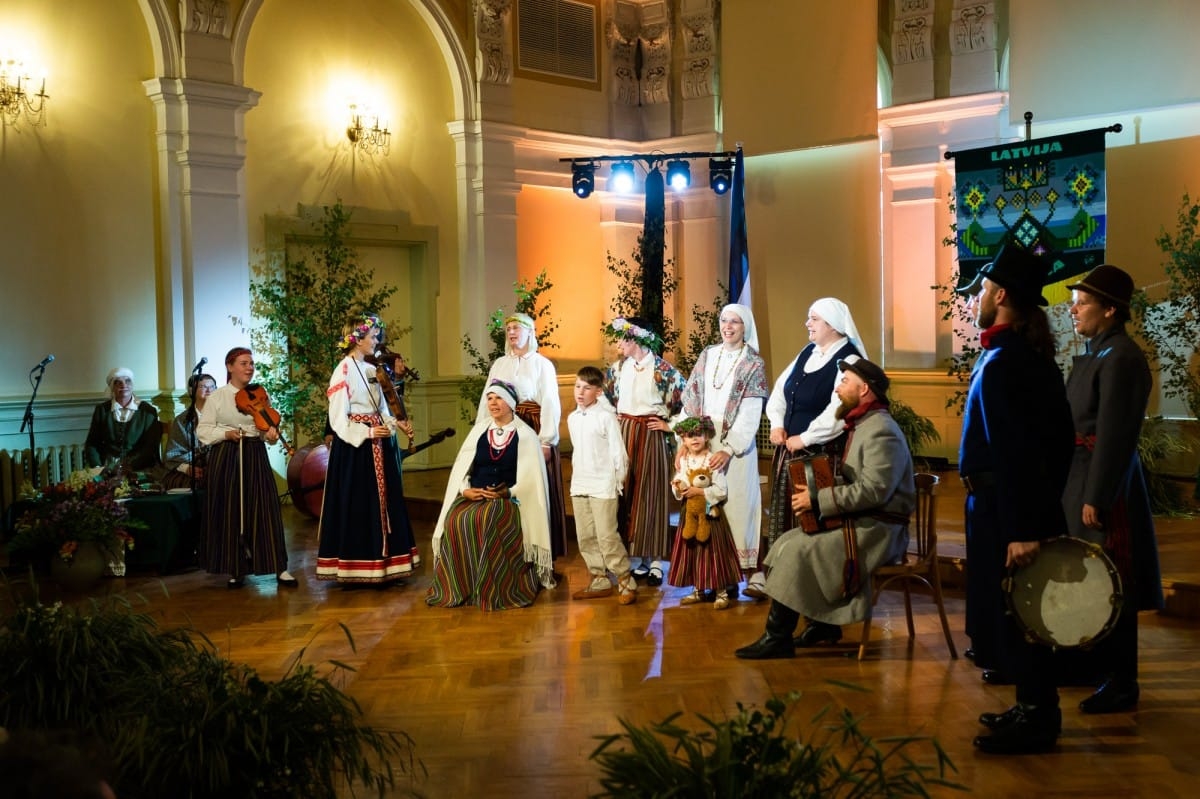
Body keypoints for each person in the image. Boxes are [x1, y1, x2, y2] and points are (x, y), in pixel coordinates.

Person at [956, 245, 1074, 755]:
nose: (977, 299)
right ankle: (1029, 704)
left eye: (982, 290)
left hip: (1008, 510)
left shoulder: (1009, 360)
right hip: (998, 506)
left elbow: (1025, 450)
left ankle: (1039, 717)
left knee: (1022, 610)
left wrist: (1026, 527)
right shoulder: (1006, 354)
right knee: (1008, 610)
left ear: (1001, 295)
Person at [735, 355, 915, 658]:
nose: (837, 388)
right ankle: (822, 625)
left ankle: (777, 636)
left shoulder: (881, 431)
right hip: (865, 520)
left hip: (881, 530)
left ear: (864, 390)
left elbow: (875, 491)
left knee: (798, 549)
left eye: (845, 382)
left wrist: (819, 499)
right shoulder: (864, 424)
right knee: (786, 541)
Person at [1063, 264, 1164, 713]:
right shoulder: (1099, 352)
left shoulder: (1121, 357)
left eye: (1082, 303)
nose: (1073, 310)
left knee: (1114, 580)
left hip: (1107, 489)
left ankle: (1122, 681)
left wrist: (1097, 495)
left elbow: (1115, 435)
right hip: (1083, 479)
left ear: (1109, 309)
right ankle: (1092, 664)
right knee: (1092, 579)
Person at [757, 298, 866, 598]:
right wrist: (777, 423)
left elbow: (838, 410)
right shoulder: (808, 352)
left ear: (832, 324)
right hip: (790, 451)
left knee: (813, 524)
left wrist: (804, 438)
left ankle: (814, 591)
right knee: (785, 518)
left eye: (813, 319)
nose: (808, 324)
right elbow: (781, 389)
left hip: (820, 456)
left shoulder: (850, 359)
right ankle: (784, 586)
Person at [428, 379, 556, 609]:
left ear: (509, 403)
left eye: (498, 398)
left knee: (488, 520)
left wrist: (507, 492)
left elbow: (530, 480)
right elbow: (463, 468)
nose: (493, 403)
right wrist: (465, 489)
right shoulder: (479, 431)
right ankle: (460, 586)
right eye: (489, 398)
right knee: (456, 520)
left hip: (508, 497)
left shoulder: (525, 435)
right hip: (474, 494)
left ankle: (493, 588)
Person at [316, 314, 421, 586]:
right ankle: (359, 565)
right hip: (357, 450)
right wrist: (367, 432)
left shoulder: (374, 368)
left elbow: (383, 407)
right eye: (373, 336)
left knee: (387, 502)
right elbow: (338, 418)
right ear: (357, 338)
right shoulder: (344, 369)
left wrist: (394, 424)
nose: (377, 340)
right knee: (361, 503)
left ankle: (388, 564)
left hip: (380, 442)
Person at [677, 303, 769, 593]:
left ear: (746, 327)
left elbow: (751, 411)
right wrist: (685, 439)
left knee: (739, 506)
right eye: (724, 321)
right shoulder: (708, 355)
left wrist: (729, 448)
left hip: (734, 444)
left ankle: (753, 572)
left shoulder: (754, 363)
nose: (728, 327)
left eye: (735, 322)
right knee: (708, 507)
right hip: (703, 438)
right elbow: (691, 398)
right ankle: (716, 575)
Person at [196, 347, 298, 588]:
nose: (250, 367)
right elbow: (203, 431)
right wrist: (226, 433)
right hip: (227, 456)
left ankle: (279, 567)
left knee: (265, 507)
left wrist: (271, 435)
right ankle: (236, 567)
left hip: (254, 452)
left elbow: (265, 433)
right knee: (231, 511)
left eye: (251, 363)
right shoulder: (218, 397)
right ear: (230, 367)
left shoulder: (260, 394)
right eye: (244, 363)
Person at [603, 316, 686, 587]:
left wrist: (668, 424)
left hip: (651, 435)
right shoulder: (617, 370)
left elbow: (686, 405)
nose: (619, 344)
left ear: (637, 339)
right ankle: (634, 557)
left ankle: (655, 561)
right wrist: (613, 420)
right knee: (626, 494)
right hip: (625, 434)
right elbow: (606, 401)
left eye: (623, 339)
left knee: (652, 496)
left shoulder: (663, 370)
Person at [478, 312, 567, 560]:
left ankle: (539, 551)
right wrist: (481, 432)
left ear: (530, 332)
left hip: (533, 427)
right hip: (504, 427)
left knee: (533, 486)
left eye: (517, 328)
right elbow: (488, 398)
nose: (512, 333)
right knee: (507, 483)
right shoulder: (500, 364)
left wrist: (547, 440)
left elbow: (550, 402)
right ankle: (509, 548)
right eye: (509, 329)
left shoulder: (541, 364)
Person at [567, 365, 635, 604]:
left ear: (597, 392)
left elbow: (619, 454)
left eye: (586, 388)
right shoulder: (573, 418)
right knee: (585, 535)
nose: (580, 392)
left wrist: (618, 481)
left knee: (607, 535)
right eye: (577, 387)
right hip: (580, 484)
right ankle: (599, 578)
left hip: (603, 484)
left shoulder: (606, 418)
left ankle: (625, 579)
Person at [668, 416, 742, 610]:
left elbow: (721, 489)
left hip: (710, 514)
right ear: (683, 440)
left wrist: (700, 492)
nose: (694, 439)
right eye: (689, 436)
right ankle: (698, 589)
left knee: (713, 551)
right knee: (692, 549)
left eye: (699, 434)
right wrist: (678, 486)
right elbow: (682, 479)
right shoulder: (685, 460)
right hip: (690, 513)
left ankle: (721, 591)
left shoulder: (712, 460)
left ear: (707, 436)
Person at [83, 367, 161, 472]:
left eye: (127, 381)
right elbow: (92, 443)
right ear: (112, 387)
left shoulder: (147, 411)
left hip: (140, 468)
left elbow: (151, 447)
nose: (123, 385)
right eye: (117, 382)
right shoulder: (102, 410)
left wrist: (131, 466)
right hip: (107, 468)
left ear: (132, 385)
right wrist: (97, 467)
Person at [160, 373, 217, 490]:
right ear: (192, 391)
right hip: (190, 468)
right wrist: (186, 468)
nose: (209, 390)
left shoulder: (223, 416)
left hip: (217, 466)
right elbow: (173, 454)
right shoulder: (182, 420)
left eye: (212, 387)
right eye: (203, 387)